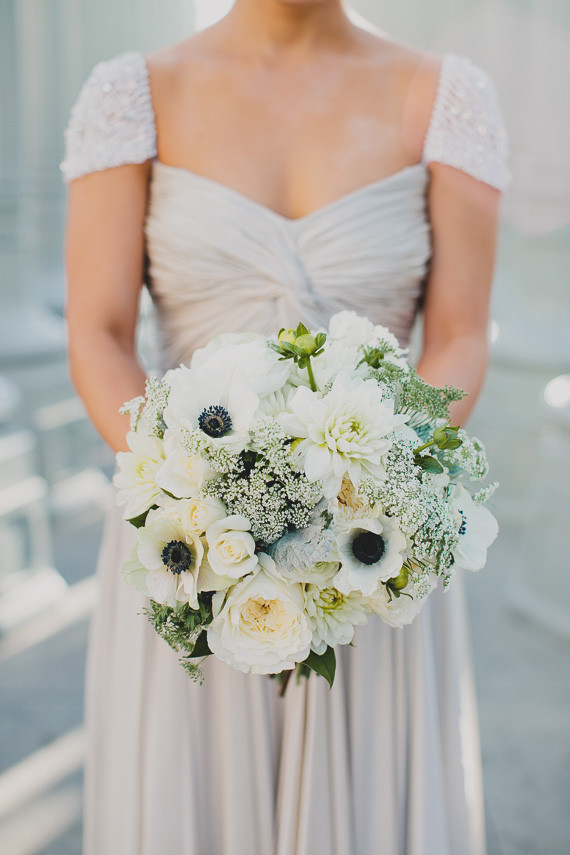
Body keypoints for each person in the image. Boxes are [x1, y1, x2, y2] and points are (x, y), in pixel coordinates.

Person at [61, 1, 510, 853]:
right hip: (188, 548)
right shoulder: (132, 94)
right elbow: (99, 333)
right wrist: (192, 496)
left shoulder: (448, 96)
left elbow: (456, 334)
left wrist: (380, 484)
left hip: (374, 550)